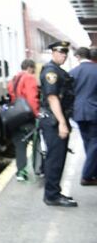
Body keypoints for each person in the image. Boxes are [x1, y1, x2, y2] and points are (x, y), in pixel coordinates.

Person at [39, 41, 77, 207]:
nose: (63, 55)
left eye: (65, 53)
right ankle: (52, 196)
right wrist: (62, 123)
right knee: (55, 158)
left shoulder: (58, 71)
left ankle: (55, 191)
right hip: (53, 121)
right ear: (53, 52)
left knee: (58, 157)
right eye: (60, 52)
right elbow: (52, 97)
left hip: (57, 119)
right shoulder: (51, 72)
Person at [8, 59, 39, 181]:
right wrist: (36, 114)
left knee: (20, 144)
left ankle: (21, 172)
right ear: (30, 68)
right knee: (37, 142)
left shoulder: (13, 79)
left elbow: (12, 96)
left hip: (16, 116)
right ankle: (39, 169)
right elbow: (32, 99)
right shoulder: (29, 78)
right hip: (27, 116)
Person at [71, 47, 97, 186]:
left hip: (78, 112)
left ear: (78, 57)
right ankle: (87, 175)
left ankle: (93, 173)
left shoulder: (72, 72)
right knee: (95, 143)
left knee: (88, 142)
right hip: (94, 112)